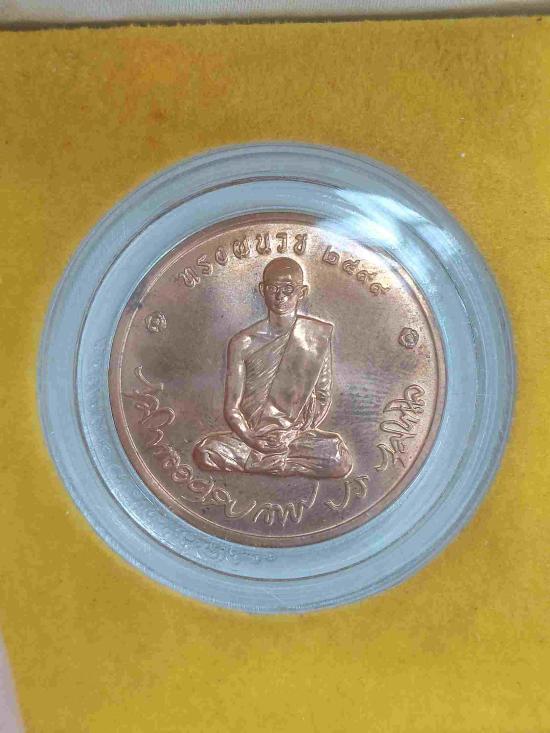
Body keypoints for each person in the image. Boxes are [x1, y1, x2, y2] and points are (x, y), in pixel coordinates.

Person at [193, 257, 352, 478]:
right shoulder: (242, 342)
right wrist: (251, 438)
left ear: (302, 292)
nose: (280, 296)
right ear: (262, 290)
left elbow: (322, 397)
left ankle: (267, 462)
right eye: (273, 288)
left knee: (338, 459)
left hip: (294, 437)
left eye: (288, 288)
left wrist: (291, 434)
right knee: (206, 452)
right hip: (251, 437)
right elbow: (232, 408)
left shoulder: (315, 336)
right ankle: (278, 463)